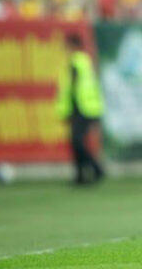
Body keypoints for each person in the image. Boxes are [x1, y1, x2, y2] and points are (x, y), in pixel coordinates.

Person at [55, 34, 105, 186]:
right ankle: (81, 175)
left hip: (82, 108)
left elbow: (72, 89)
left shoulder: (76, 62)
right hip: (87, 107)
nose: (66, 49)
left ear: (74, 45)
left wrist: (66, 110)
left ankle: (95, 168)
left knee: (77, 141)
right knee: (76, 142)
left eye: (67, 46)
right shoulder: (85, 61)